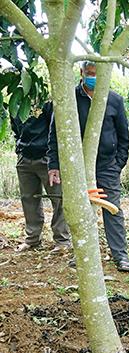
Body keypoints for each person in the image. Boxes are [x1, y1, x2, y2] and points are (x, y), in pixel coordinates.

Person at [48, 61, 129, 272]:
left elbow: (124, 137)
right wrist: (54, 165)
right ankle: (83, 255)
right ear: (81, 73)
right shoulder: (69, 99)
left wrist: (117, 164)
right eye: (89, 73)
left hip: (106, 165)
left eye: (96, 73)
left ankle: (120, 255)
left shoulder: (113, 100)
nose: (92, 76)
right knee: (80, 211)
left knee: (112, 209)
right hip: (76, 167)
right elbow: (55, 134)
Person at [11, 101, 71, 253]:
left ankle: (62, 240)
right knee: (28, 199)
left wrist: (53, 159)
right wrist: (20, 149)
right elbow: (15, 129)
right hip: (25, 158)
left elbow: (55, 130)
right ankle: (32, 239)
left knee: (58, 198)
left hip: (47, 159)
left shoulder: (47, 102)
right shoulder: (16, 102)